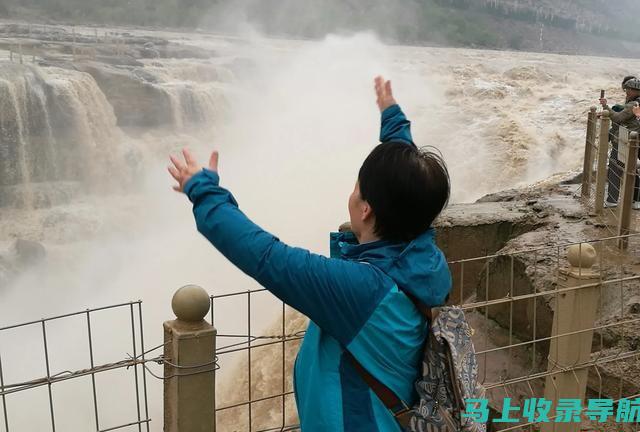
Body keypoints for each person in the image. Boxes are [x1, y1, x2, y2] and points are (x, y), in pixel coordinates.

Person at [168, 77, 452, 431]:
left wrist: (204, 192)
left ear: (366, 209)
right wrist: (391, 114)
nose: (352, 193)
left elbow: (268, 257)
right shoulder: (420, 252)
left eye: (357, 188)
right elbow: (407, 179)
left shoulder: (360, 291)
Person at [599, 77, 640, 209]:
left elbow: (617, 118)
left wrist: (606, 106)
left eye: (630, 89)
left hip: (625, 140)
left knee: (615, 168)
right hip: (635, 140)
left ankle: (612, 200)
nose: (627, 91)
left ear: (636, 91)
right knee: (634, 170)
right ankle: (636, 201)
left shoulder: (633, 105)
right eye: (626, 88)